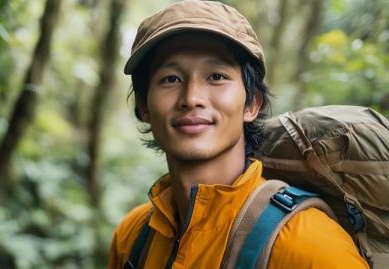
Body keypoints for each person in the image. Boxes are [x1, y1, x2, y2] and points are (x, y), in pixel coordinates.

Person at [109, 1, 369, 268]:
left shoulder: (307, 245)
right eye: (171, 79)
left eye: (217, 76)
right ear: (144, 107)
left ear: (252, 104)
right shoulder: (133, 235)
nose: (192, 98)